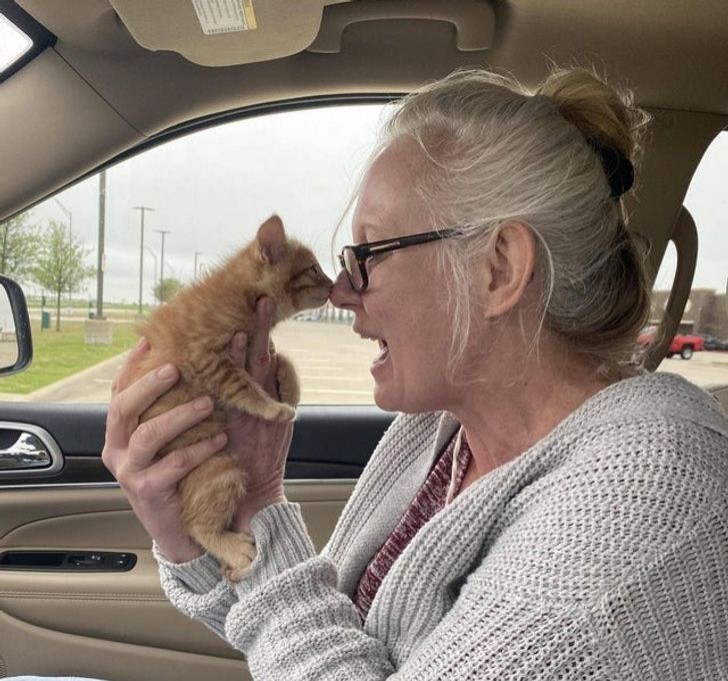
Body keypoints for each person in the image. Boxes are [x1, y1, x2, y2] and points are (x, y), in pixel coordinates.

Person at [14, 66, 728, 680]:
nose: (341, 291)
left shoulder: (643, 501)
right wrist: (189, 531)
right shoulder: (437, 434)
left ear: (499, 267)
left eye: (368, 253)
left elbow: (301, 626)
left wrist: (261, 501)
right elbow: (316, 639)